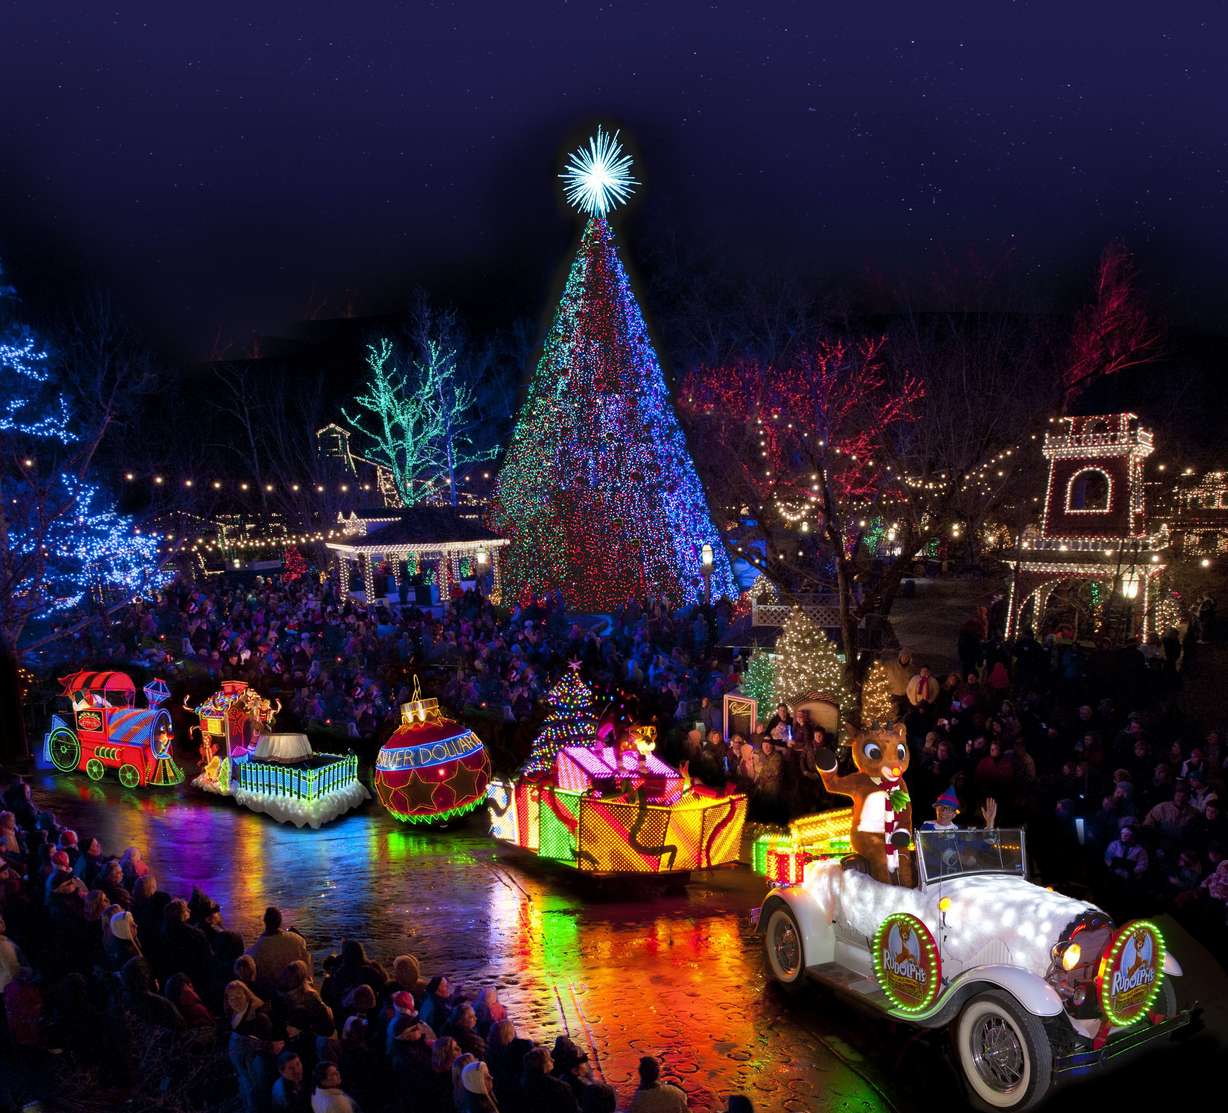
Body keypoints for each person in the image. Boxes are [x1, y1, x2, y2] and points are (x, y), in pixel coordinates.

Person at [250, 906, 312, 995]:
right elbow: (307, 966)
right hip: (299, 991)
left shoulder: (255, 951)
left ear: (265, 922)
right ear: (280, 921)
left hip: (272, 995)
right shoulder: (298, 940)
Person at [521, 1045, 579, 1112]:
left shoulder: (524, 1082)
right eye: (549, 1058)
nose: (553, 1060)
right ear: (542, 1063)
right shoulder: (559, 1086)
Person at [920, 789, 997, 831]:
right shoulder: (927, 826)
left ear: (954, 814)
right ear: (936, 809)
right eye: (941, 808)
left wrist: (990, 824)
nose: (943, 812)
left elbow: (984, 845)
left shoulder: (959, 831)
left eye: (949, 809)